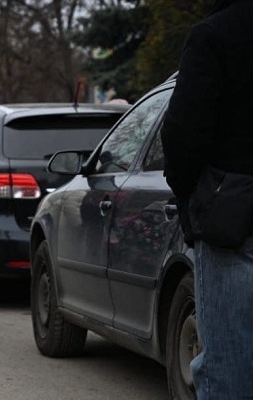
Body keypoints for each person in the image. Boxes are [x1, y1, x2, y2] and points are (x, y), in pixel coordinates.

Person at [160, 1, 253, 397]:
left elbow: (183, 135)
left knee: (228, 369)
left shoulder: (216, 35)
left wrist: (190, 195)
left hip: (234, 220)